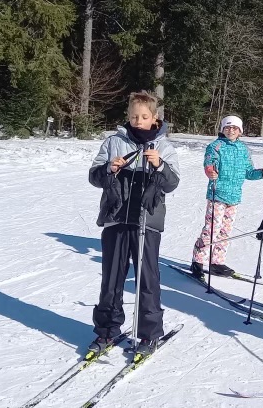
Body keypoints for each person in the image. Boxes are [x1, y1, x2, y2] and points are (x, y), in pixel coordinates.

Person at [86, 90, 180, 360]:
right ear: (127, 116)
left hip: (146, 222)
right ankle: (106, 329)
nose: (138, 121)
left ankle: (149, 333)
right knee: (111, 279)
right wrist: (109, 170)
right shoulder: (114, 142)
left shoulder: (163, 147)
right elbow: (94, 176)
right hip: (116, 218)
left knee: (147, 279)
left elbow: (173, 183)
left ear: (155, 118)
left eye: (144, 117)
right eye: (133, 116)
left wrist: (159, 166)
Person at [190, 115, 263, 278]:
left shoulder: (243, 149)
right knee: (211, 229)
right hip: (217, 194)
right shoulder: (216, 146)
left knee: (225, 231)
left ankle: (216, 262)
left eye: (235, 128)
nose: (231, 130)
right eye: (227, 128)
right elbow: (209, 162)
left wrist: (262, 173)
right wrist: (210, 170)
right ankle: (198, 261)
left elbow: (248, 172)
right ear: (222, 129)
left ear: (240, 131)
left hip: (234, 197)